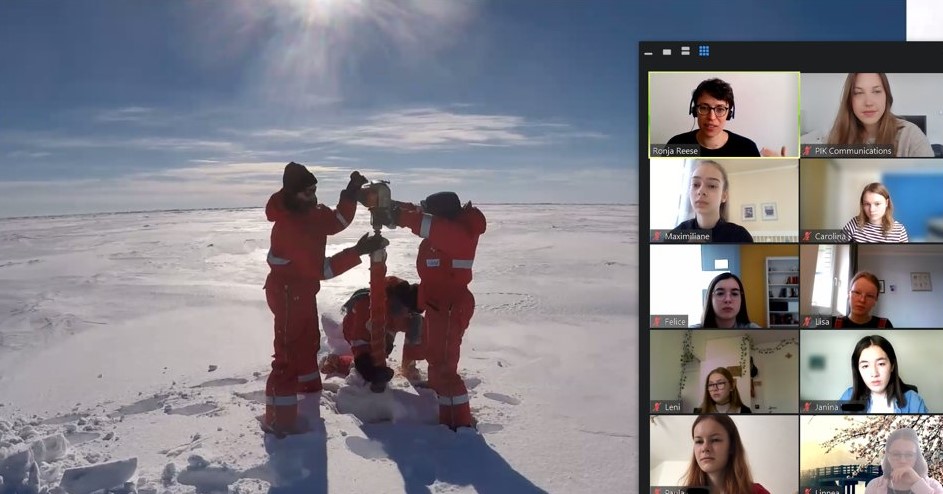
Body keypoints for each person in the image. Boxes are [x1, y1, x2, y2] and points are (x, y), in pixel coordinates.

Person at [261, 162, 387, 436]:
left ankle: (309, 395)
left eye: (315, 190)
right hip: (285, 294)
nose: (313, 196)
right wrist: (358, 251)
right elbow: (322, 270)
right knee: (287, 355)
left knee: (307, 345)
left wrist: (350, 193)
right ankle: (279, 422)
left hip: (303, 293)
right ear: (293, 194)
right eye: (307, 192)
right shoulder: (290, 225)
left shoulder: (310, 212)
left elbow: (337, 221)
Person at [386, 191, 486, 430]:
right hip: (436, 303)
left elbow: (427, 223)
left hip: (450, 307)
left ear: (444, 216)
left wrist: (398, 216)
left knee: (444, 368)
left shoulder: (457, 234)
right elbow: (422, 214)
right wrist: (390, 204)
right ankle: (440, 398)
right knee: (435, 356)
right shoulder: (447, 226)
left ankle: (457, 425)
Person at [319, 276, 426, 385]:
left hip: (386, 324)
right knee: (371, 361)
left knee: (417, 322)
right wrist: (368, 369)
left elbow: (422, 328)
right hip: (356, 329)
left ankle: (408, 366)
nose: (406, 314)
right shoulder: (368, 305)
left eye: (410, 312)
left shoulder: (404, 305)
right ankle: (337, 361)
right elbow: (360, 344)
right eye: (404, 310)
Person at [666, 78, 785, 157]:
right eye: (704, 108)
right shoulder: (676, 144)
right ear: (695, 111)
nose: (711, 117)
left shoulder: (747, 148)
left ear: (729, 113)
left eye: (720, 109)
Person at [825, 73, 934, 158]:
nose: (868, 102)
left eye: (876, 91)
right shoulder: (836, 137)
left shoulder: (911, 137)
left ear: (886, 96)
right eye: (858, 93)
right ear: (849, 100)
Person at [682, 414, 771, 494]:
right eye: (699, 441)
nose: (705, 448)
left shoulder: (757, 492)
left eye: (715, 440)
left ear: (732, 446)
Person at [670, 160, 754, 243]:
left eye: (712, 186)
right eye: (695, 184)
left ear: (724, 196)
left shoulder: (740, 236)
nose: (701, 191)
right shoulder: (677, 233)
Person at [838, 335, 928, 413]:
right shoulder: (848, 396)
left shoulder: (913, 400)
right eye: (865, 366)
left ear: (892, 365)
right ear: (858, 370)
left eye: (881, 364)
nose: (874, 373)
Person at [865, 427, 943, 494]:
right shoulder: (874, 486)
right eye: (896, 454)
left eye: (909, 454)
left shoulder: (934, 486)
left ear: (917, 457)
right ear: (888, 456)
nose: (903, 460)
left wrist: (918, 483)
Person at [842, 182, 909, 243]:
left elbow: (905, 255)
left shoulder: (899, 230)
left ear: (886, 203)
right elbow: (835, 244)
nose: (872, 209)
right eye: (867, 204)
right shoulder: (854, 223)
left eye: (877, 204)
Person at [691, 273, 761, 329]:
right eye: (720, 293)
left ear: (741, 299)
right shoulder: (692, 332)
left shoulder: (753, 330)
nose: (728, 299)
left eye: (734, 294)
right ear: (710, 298)